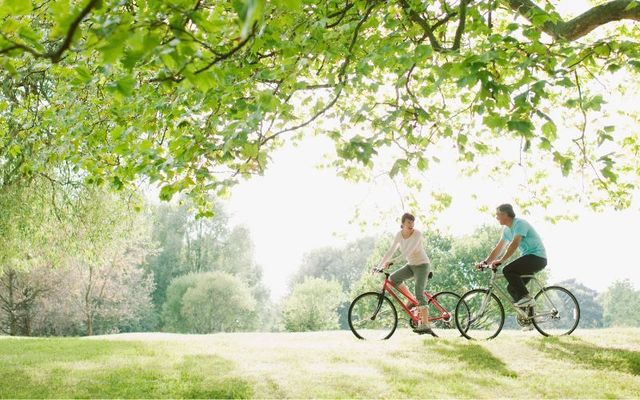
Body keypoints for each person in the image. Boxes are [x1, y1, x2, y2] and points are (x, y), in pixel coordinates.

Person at [476, 204, 547, 330]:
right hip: (529, 258)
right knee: (512, 288)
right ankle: (531, 320)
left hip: (537, 258)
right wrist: (485, 262)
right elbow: (498, 248)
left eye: (498, 214)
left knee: (508, 270)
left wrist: (502, 260)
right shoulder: (507, 230)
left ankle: (527, 298)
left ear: (505, 214)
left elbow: (514, 244)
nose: (496, 217)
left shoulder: (519, 224)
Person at [378, 212, 433, 335]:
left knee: (419, 292)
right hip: (411, 265)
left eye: (413, 222)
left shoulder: (417, 234)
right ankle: (412, 300)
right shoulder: (399, 235)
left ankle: (425, 324)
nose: (411, 224)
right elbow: (390, 251)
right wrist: (379, 266)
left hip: (422, 265)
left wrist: (391, 262)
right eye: (408, 222)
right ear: (402, 223)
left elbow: (408, 251)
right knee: (393, 279)